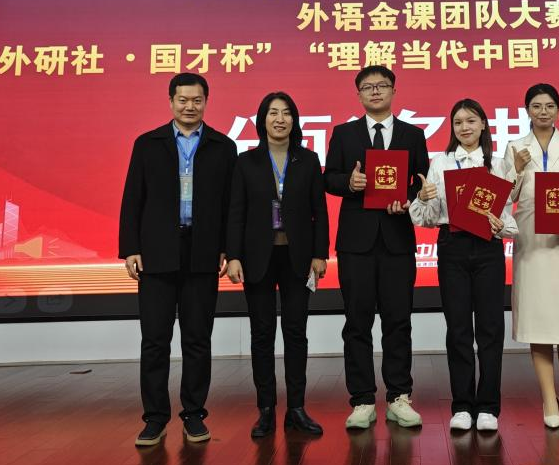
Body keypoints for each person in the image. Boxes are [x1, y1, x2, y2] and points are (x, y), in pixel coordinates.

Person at [119, 73, 237, 446]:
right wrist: (131, 247)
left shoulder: (223, 146)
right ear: (171, 101)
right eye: (183, 100)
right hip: (156, 253)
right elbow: (132, 198)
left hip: (202, 252)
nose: (190, 106)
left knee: (197, 339)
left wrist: (228, 248)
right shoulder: (147, 144)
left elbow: (231, 205)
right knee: (155, 340)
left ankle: (194, 414)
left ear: (206, 102)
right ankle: (155, 418)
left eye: (197, 100)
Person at [324, 65, 431, 429]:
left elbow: (422, 181)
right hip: (356, 243)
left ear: (393, 91)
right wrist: (349, 182)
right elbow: (329, 178)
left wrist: (409, 198)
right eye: (367, 87)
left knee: (398, 320)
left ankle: (399, 396)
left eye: (381, 85)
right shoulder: (344, 133)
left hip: (397, 239)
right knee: (357, 322)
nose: (374, 91)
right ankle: (362, 399)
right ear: (358, 94)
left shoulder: (413, 134)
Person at [410, 98, 518, 433]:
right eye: (458, 122)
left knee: (490, 327)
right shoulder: (440, 163)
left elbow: (507, 217)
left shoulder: (498, 164)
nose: (464, 127)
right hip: (452, 246)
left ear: (483, 124)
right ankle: (461, 406)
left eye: (471, 121)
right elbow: (427, 218)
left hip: (487, 247)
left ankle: (488, 406)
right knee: (457, 328)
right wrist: (423, 198)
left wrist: (501, 226)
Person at [225, 92, 329, 437]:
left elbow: (320, 211)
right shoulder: (246, 161)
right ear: (262, 120)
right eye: (273, 113)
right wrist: (234, 255)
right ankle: (266, 409)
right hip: (257, 257)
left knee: (296, 332)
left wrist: (320, 254)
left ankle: (296, 407)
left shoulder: (308, 160)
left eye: (286, 113)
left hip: (298, 258)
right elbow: (236, 212)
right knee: (262, 333)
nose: (280, 119)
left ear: (294, 121)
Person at [501, 84, 559, 429]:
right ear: (527, 110)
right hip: (532, 239)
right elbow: (505, 196)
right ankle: (547, 397)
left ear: (558, 109)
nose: (543, 111)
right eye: (536, 106)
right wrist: (515, 168)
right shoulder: (515, 147)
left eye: (550, 106)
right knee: (539, 320)